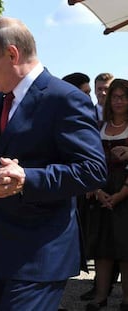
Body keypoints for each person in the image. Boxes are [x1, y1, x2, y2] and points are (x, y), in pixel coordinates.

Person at [0, 17, 107, 311]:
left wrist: (28, 178)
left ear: (12, 54)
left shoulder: (64, 99)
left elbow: (93, 170)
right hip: (0, 253)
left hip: (41, 255)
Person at [83, 79, 128, 311]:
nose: (119, 101)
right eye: (115, 96)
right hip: (101, 192)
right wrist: (97, 190)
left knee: (126, 248)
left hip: (126, 193)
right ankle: (100, 296)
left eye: (123, 96)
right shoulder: (99, 126)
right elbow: (91, 161)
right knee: (102, 247)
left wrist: (121, 194)